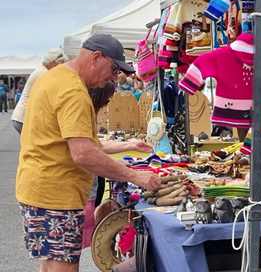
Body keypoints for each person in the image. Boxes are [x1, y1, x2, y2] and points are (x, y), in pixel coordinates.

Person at [16, 34, 162, 272]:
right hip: (56, 195)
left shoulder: (53, 77)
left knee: (51, 265)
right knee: (64, 268)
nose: (114, 77)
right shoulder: (73, 91)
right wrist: (135, 176)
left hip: (39, 188)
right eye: (114, 69)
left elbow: (86, 146)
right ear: (96, 57)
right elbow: (83, 153)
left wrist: (128, 146)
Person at [82, 81, 154, 248]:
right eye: (107, 100)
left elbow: (96, 147)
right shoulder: (82, 113)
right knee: (69, 255)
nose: (108, 105)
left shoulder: (87, 114)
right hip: (78, 192)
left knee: (71, 253)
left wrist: (131, 145)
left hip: (84, 190)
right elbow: (86, 154)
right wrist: (129, 173)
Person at [11, 48, 68, 134]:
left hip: (21, 116)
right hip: (25, 117)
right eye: (60, 64)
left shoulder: (41, 70)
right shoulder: (44, 74)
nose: (61, 67)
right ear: (53, 62)